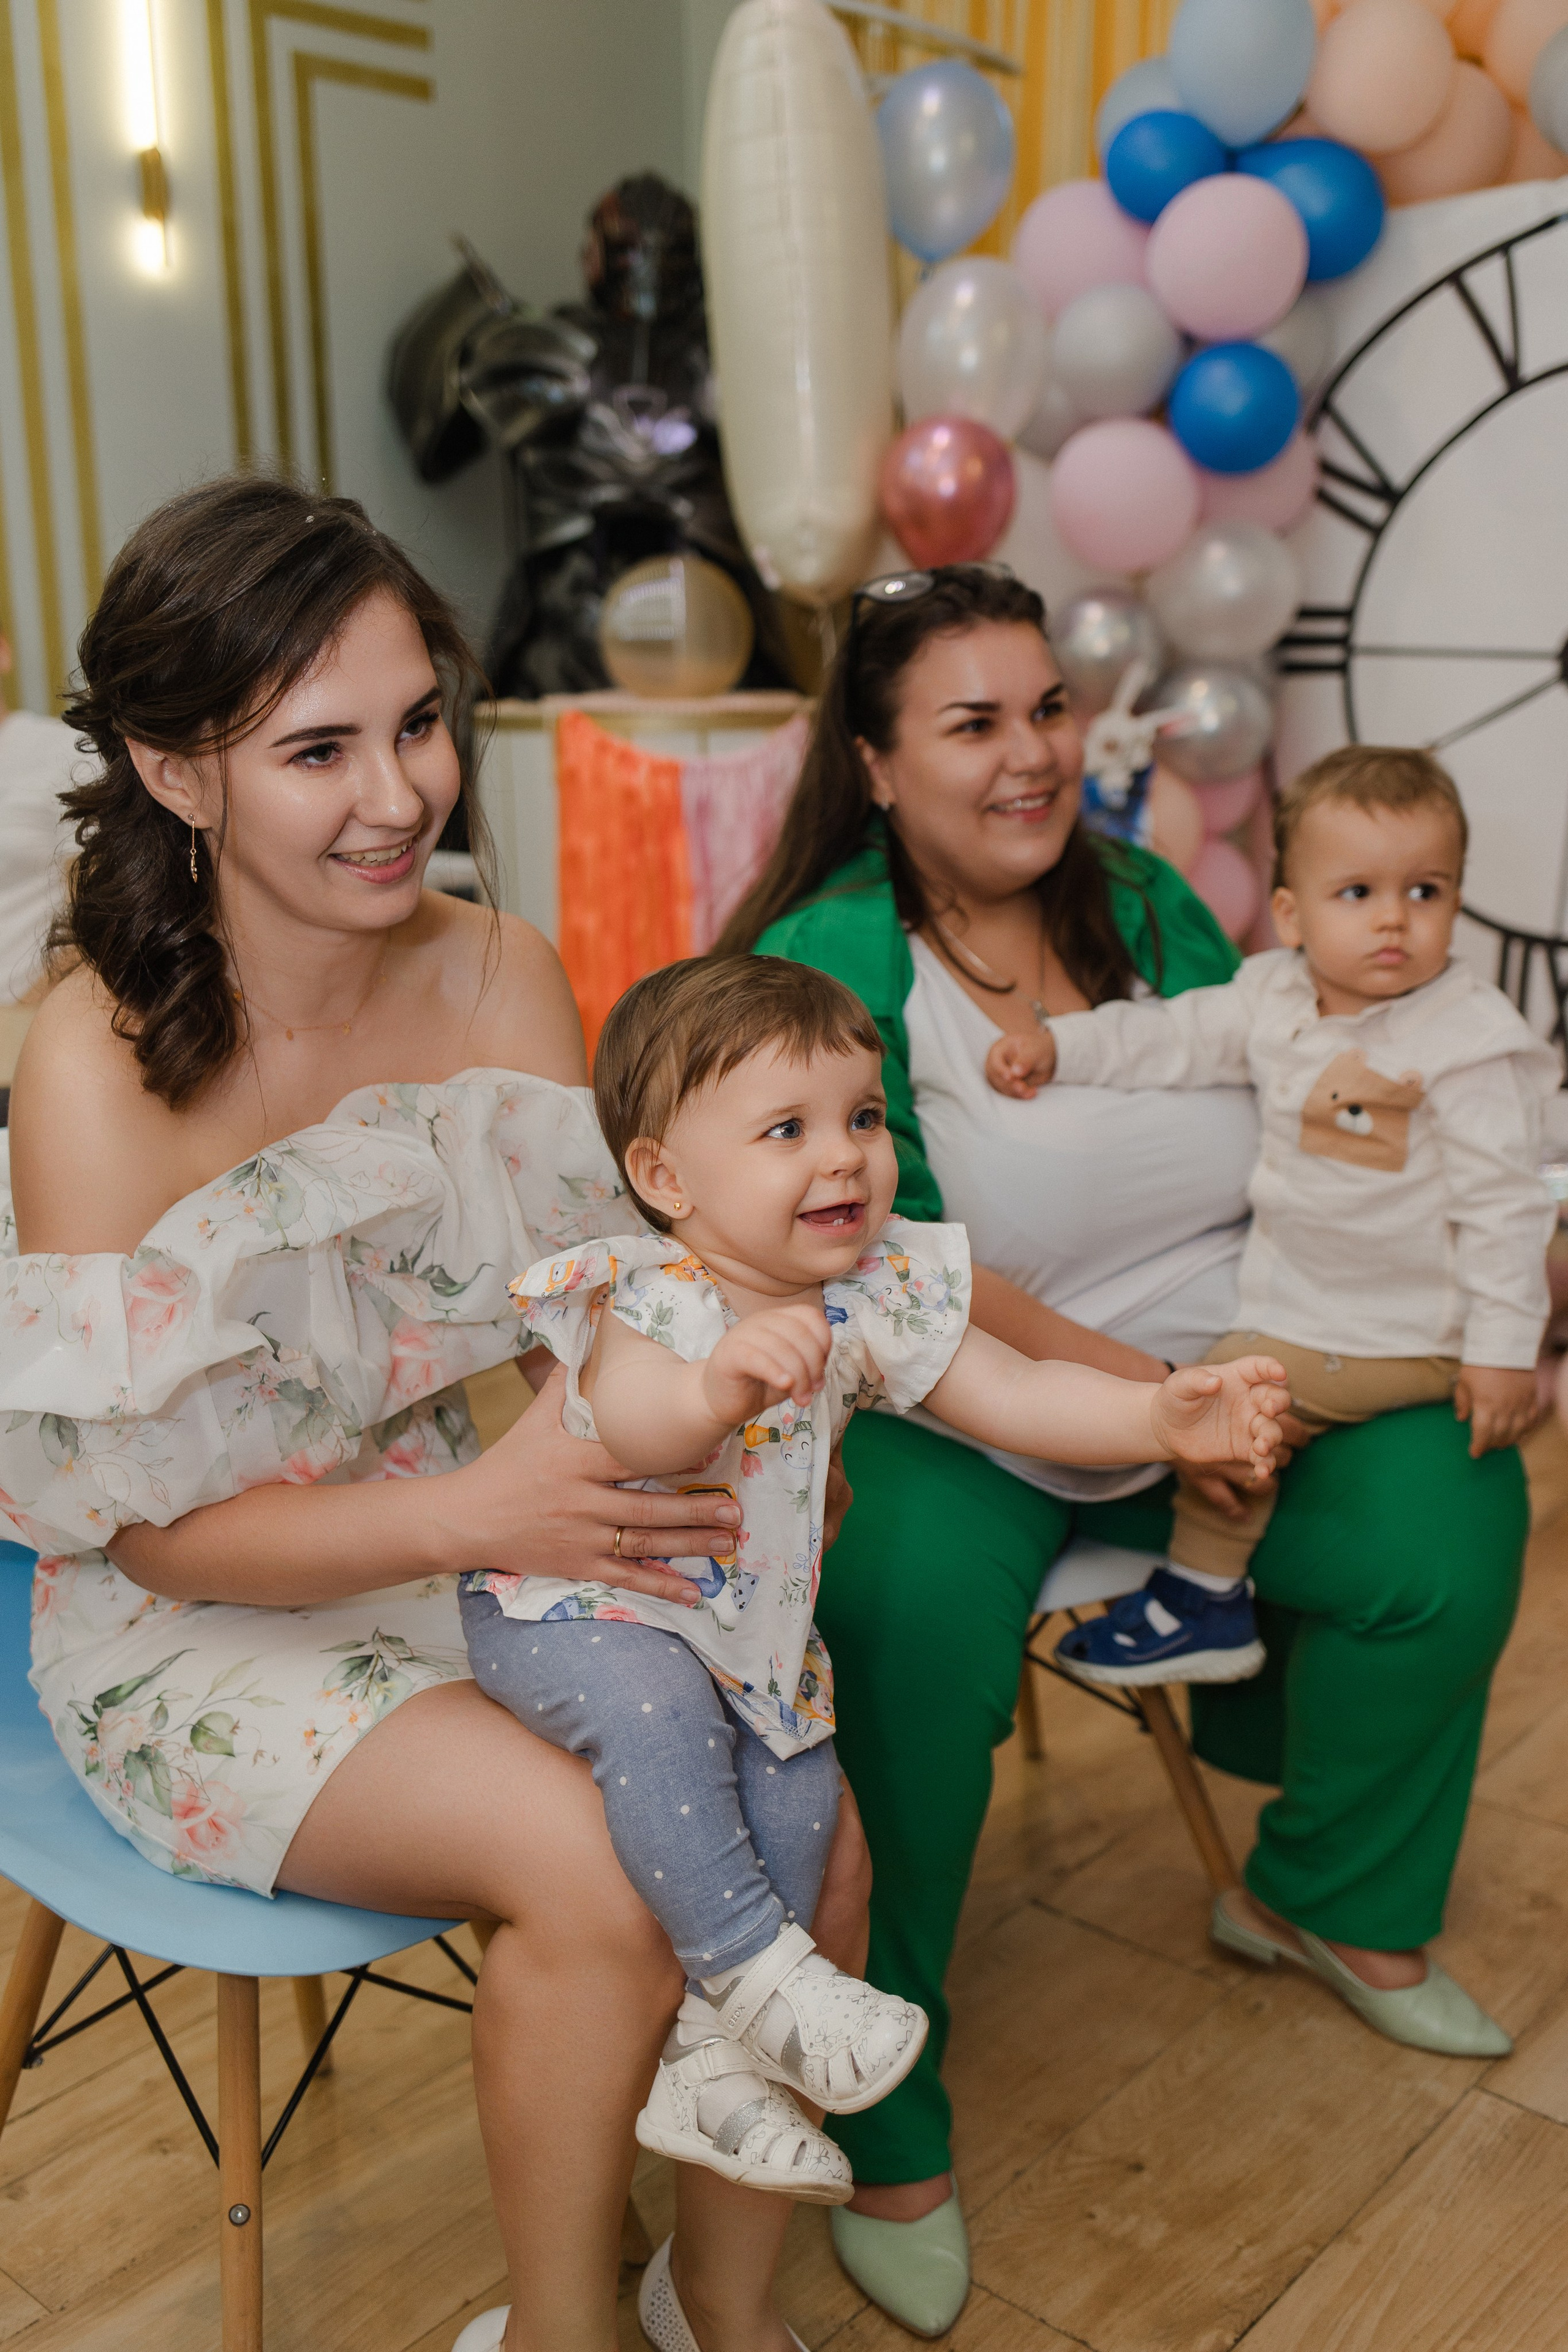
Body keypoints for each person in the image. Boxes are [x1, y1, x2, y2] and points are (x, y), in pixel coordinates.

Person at [4, 474, 871, 2352]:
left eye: (417, 725)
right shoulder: (86, 1059)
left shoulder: (498, 978)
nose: (398, 798)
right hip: (187, 1615)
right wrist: (485, 1518)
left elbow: (589, 1346)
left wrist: (730, 1440)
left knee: (812, 1813)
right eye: (318, 749)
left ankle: (722, 2313)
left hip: (473, 1511)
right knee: (595, 1863)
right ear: (174, 773)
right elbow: (137, 1526)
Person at [717, 564, 1531, 2339]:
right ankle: (883, 2087)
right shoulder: (828, 964)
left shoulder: (1158, 904)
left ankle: (1326, 1899)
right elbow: (885, 1266)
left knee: (1453, 1509)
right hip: (970, 1397)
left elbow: (1340, 1128)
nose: (1033, 756)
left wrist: (1467, 1289)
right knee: (906, 1609)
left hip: (1259, 1370)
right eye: (974, 723)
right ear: (871, 760)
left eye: (1048, 711)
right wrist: (1164, 1403)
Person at [481, 952, 1285, 2199]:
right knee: (661, 1725)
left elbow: (1012, 1391)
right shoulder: (651, 1292)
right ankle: (753, 1976)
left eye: (860, 1116)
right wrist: (718, 1387)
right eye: (786, 1129)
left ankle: (711, 2062)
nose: (844, 1155)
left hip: (748, 1641)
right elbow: (633, 1425)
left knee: (800, 1807)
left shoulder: (873, 1284)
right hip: (581, 1613)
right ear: (663, 1177)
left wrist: (1153, 1423)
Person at [987, 745, 1555, 1692]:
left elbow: (1505, 1205)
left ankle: (1204, 1597)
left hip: (1403, 1326)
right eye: (1358, 893)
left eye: (1425, 892)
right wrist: (1061, 1046)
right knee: (1232, 1381)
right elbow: (1168, 1037)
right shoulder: (1272, 995)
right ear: (1288, 913)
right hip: (1307, 1300)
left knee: (1227, 1396)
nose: (1393, 921)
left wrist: (1503, 1350)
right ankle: (1217, 1585)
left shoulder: (1468, 1043)